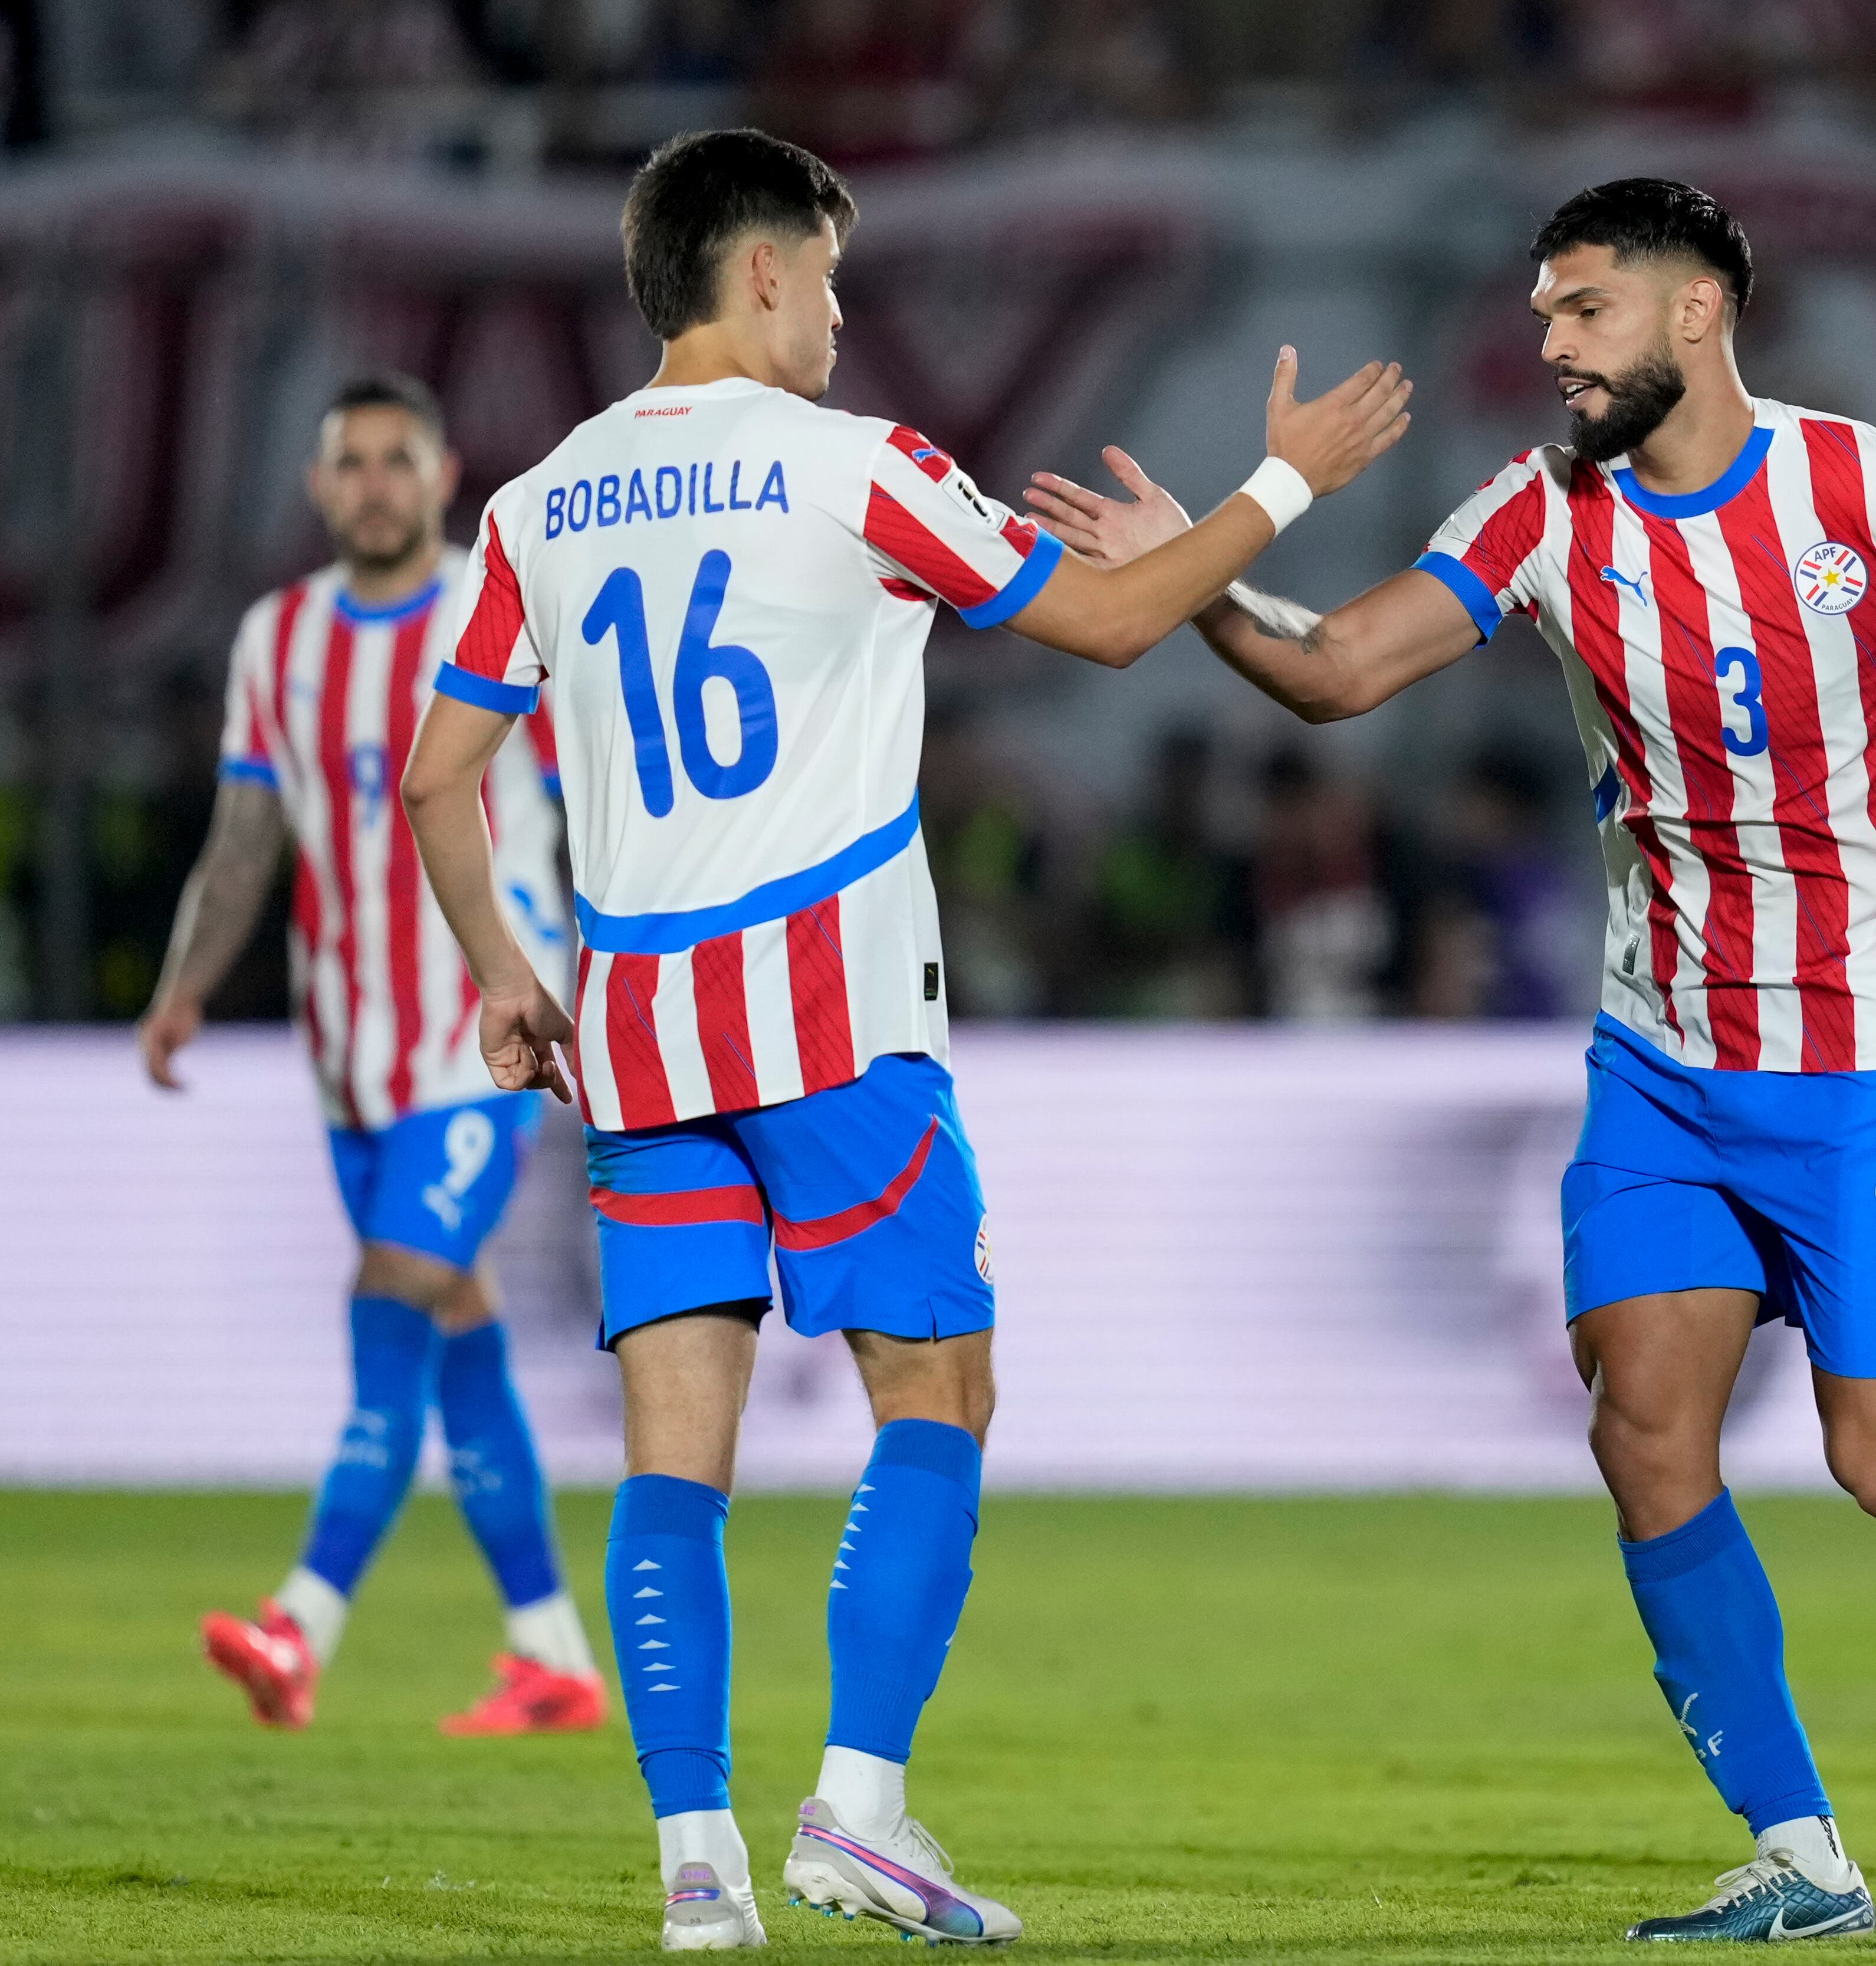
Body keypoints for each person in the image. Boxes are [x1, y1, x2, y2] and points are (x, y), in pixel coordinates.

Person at [1024, 176, 1876, 1938]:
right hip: (1663, 1063)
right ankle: (1803, 1848)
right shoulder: (1541, 516)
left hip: (1862, 1067)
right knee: (1649, 1437)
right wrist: (1204, 571)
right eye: (1543, 317)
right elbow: (1343, 667)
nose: (1553, 348)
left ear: (1698, 314)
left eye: (1584, 311)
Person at [398, 127, 1410, 1951]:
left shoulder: (536, 503)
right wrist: (1281, 482)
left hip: (633, 1028)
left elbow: (437, 777)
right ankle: (859, 1810)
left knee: (669, 1457)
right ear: (764, 268)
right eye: (834, 278)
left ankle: (695, 1859)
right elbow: (1106, 621)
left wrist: (503, 973)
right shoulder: (859, 471)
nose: (848, 317)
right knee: (934, 1395)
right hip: (834, 1018)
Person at [139, 373, 601, 1740]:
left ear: (444, 472)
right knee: (457, 1345)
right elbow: (243, 839)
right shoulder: (274, 639)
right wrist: (182, 991)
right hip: (346, 1059)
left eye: (400, 459)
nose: (378, 483)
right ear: (319, 484)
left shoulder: (499, 612)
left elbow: (599, 806)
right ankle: (551, 1652)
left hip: (480, 1044)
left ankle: (302, 1621)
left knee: (394, 1287)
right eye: (354, 462)